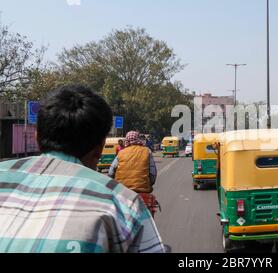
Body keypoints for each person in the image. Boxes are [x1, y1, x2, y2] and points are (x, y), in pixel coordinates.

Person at [0, 85, 164, 253]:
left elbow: (112, 171)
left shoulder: (120, 155)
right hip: (138, 191)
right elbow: (152, 173)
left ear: (36, 137)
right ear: (100, 147)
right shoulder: (125, 203)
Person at [108, 131, 158, 216]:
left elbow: (110, 172)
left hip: (122, 193)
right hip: (143, 193)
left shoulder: (121, 153)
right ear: (138, 139)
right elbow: (153, 174)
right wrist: (149, 184)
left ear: (126, 140)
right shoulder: (147, 151)